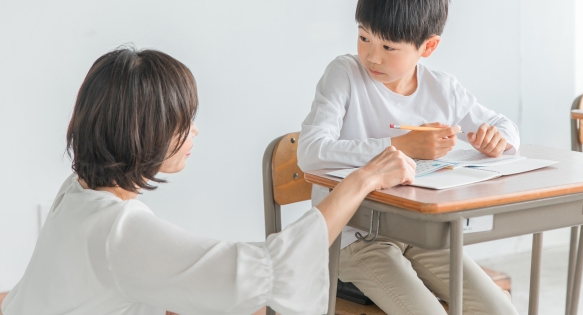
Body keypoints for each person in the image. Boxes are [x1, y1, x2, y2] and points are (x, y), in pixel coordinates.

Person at [1, 47, 416, 315]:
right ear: (141, 133)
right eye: (182, 124)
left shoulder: (77, 191)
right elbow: (274, 266)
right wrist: (363, 178)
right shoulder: (120, 233)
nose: (194, 133)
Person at [297, 0, 521, 315]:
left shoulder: (442, 88)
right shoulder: (344, 74)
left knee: (499, 309)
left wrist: (498, 138)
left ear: (428, 47)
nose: (372, 55)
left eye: (389, 46)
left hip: (420, 235)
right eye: (364, 37)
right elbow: (310, 153)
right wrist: (399, 147)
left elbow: (501, 124)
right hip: (354, 239)